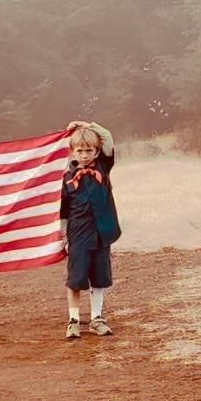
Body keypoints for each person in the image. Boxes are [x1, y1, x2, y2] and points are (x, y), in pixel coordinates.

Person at [60, 121, 121, 338]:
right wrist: (62, 235)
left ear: (96, 152)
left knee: (99, 277)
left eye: (89, 150)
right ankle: (74, 320)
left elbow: (107, 137)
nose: (85, 155)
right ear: (72, 152)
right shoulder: (67, 177)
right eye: (80, 150)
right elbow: (63, 210)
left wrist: (86, 125)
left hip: (102, 233)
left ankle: (97, 318)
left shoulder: (104, 167)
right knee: (75, 279)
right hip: (78, 235)